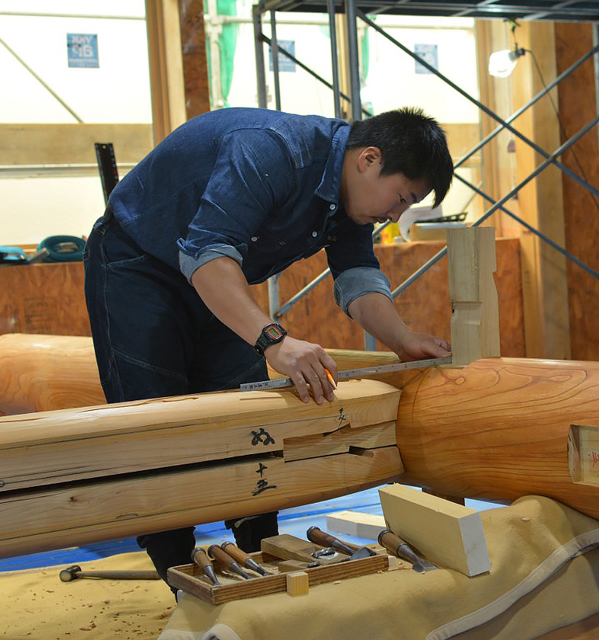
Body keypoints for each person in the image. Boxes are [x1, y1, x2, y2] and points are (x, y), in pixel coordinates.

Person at [82, 106, 454, 590]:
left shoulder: (351, 195)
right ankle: (185, 584)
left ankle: (261, 563)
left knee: (251, 418)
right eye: (400, 198)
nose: (395, 215)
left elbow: (356, 273)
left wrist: (403, 340)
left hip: (218, 279)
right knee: (155, 427)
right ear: (368, 159)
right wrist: (273, 340)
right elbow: (204, 252)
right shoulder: (271, 149)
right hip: (139, 264)